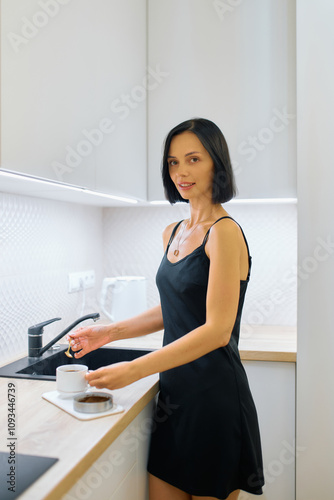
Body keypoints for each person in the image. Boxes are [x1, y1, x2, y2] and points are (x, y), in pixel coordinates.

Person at [68, 118, 265, 500]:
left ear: (216, 164)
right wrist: (108, 332)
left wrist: (134, 369)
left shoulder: (224, 233)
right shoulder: (173, 232)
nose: (181, 172)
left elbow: (217, 330)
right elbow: (172, 309)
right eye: (174, 162)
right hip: (174, 399)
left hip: (214, 400)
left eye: (193, 159)